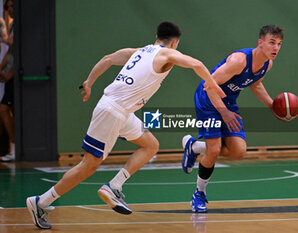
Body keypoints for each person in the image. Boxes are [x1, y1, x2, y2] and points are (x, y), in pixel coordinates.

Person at [25, 21, 225, 229]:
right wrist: (212, 85)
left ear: (157, 37)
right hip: (113, 111)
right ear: (174, 43)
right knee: (88, 165)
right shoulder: (166, 55)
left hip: (122, 111)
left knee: (150, 145)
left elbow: (107, 59)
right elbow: (198, 65)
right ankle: (41, 202)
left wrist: (89, 82)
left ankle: (115, 185)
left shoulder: (138, 51)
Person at [182, 25, 284, 213]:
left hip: (227, 101)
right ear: (260, 43)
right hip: (208, 99)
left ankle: (194, 146)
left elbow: (256, 84)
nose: (276, 48)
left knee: (238, 151)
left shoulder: (267, 64)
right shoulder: (239, 61)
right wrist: (224, 112)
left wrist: (272, 106)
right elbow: (209, 85)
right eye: (272, 43)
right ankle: (199, 194)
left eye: (279, 44)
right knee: (213, 150)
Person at [0, 0, 14, 162]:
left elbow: (11, 43)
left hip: (15, 75)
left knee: (4, 108)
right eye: (8, 6)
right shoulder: (12, 26)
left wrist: (2, 30)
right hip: (9, 74)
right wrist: (2, 69)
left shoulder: (15, 26)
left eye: (11, 6)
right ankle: (14, 147)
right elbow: (9, 51)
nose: (10, 9)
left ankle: (15, 145)